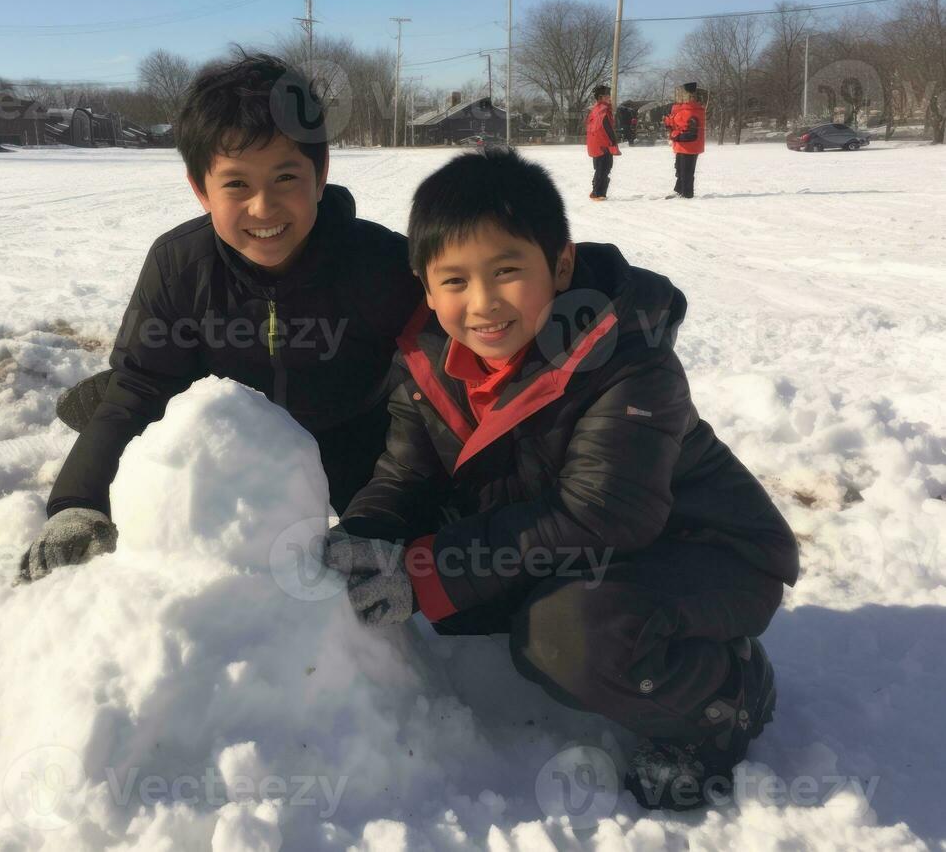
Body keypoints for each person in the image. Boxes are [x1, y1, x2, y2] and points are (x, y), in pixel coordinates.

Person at [322, 148, 799, 811]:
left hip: (709, 555)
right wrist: (367, 533)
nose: (482, 303)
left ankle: (724, 700)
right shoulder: (428, 366)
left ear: (561, 264)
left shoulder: (626, 359)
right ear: (425, 288)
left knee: (562, 640)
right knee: (476, 599)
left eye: (507, 271)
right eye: (453, 281)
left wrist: (431, 570)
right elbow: (404, 475)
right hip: (594, 560)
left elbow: (606, 512)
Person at [19, 50, 422, 583]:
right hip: (228, 442)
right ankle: (100, 396)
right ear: (200, 188)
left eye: (285, 178)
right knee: (134, 384)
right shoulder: (179, 263)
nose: (263, 208)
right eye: (236, 184)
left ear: (320, 174)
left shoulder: (382, 263)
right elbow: (140, 387)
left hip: (349, 438)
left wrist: (380, 517)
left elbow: (427, 399)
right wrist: (78, 500)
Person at [663, 82, 706, 199]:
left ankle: (687, 194)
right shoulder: (680, 109)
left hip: (690, 146)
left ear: (691, 97)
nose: (680, 98)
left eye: (684, 95)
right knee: (679, 169)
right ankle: (679, 191)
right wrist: (668, 124)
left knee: (687, 171)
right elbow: (675, 123)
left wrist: (675, 136)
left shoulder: (694, 110)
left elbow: (692, 134)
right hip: (680, 145)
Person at [585, 84, 621, 201]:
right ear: (601, 97)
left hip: (597, 144)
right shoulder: (602, 110)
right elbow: (605, 127)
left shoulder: (596, 110)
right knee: (604, 168)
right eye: (607, 95)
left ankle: (598, 192)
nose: (609, 97)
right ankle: (597, 193)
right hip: (602, 144)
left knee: (601, 168)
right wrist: (613, 140)